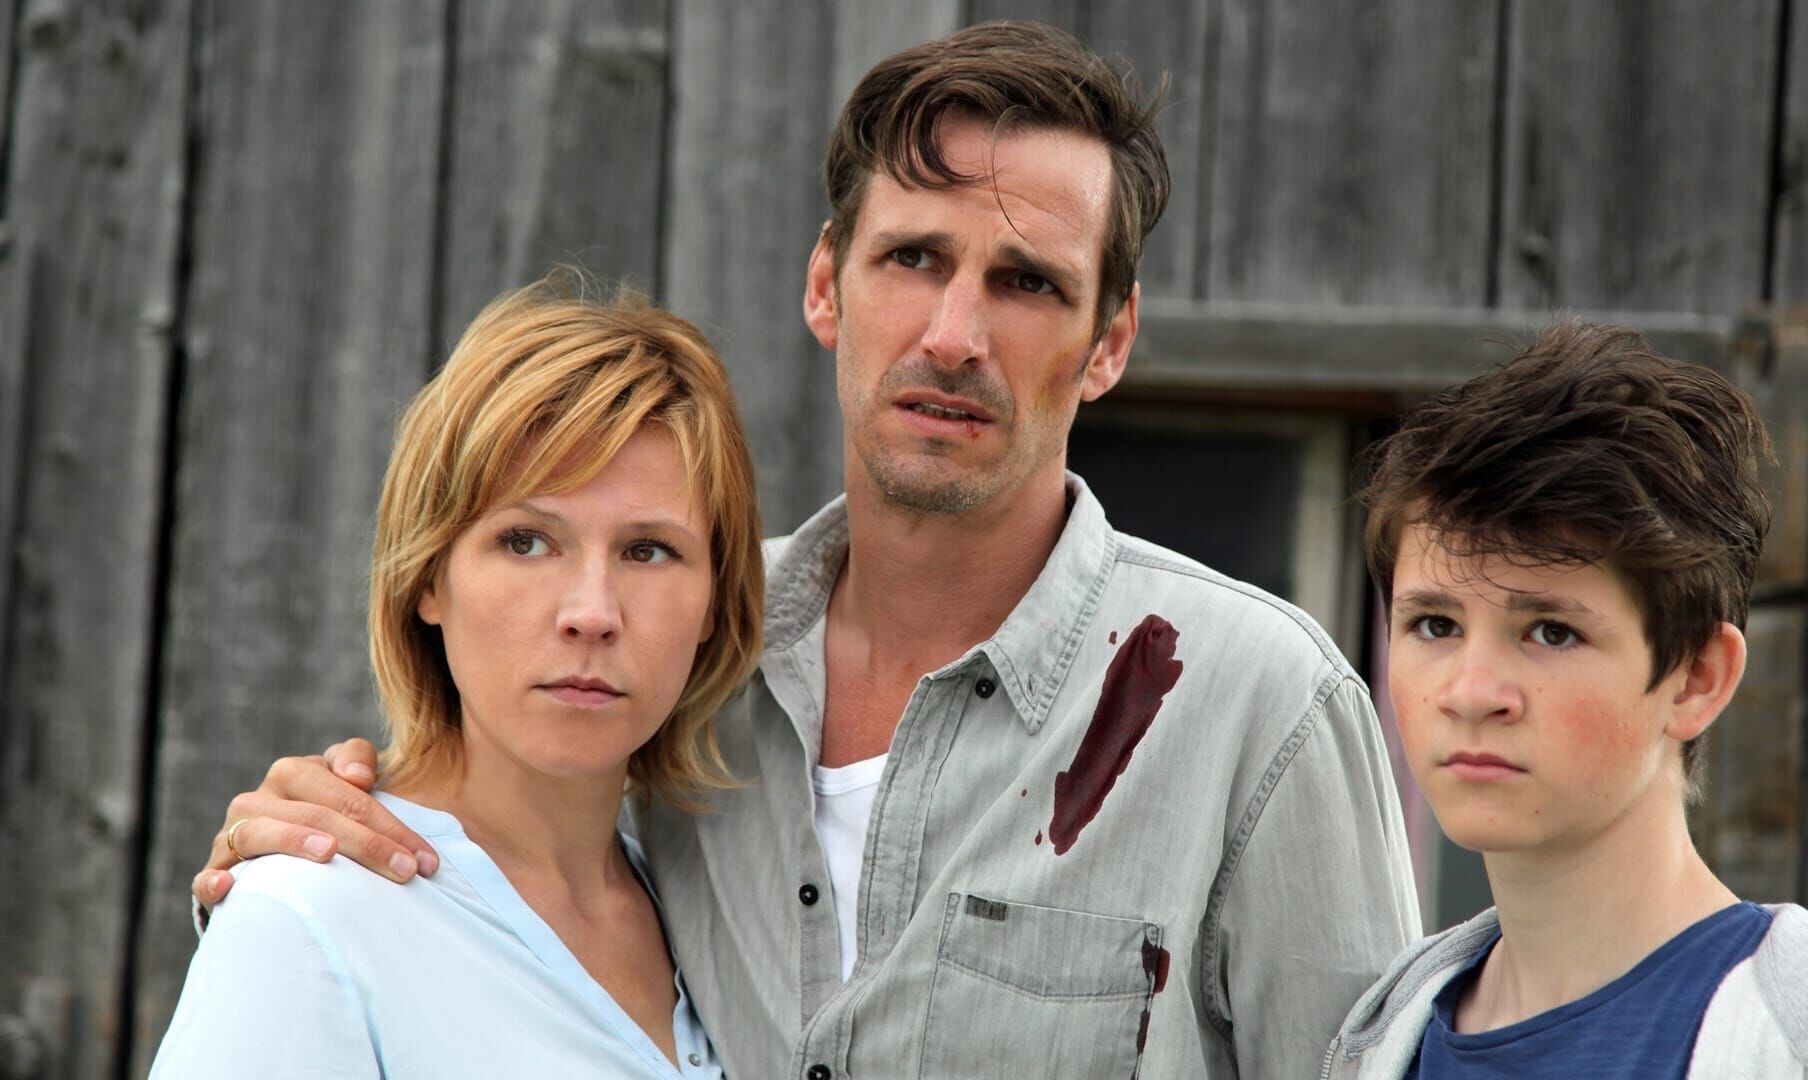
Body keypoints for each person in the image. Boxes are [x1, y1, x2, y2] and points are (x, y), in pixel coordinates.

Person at [191, 23, 1421, 1077]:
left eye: (1028, 284)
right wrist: (297, 875)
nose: (954, 334)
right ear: (827, 284)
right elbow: (480, 874)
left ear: (1110, 342)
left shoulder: (1261, 709)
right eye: (913, 258)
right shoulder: (693, 649)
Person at [152, 275, 764, 1078]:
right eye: (526, 541)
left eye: (648, 551)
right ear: (429, 579)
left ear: (715, 601)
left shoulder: (715, 923)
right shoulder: (308, 920)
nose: (592, 612)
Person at [1326, 320, 1808, 1078]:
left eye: (1551, 632)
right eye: (1435, 624)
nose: (1471, 693)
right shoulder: (1381, 1036)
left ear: (1696, 678)